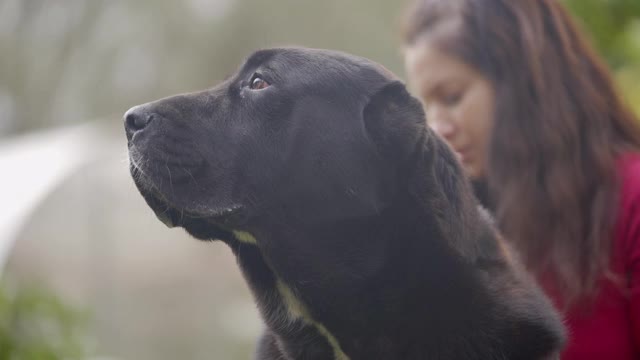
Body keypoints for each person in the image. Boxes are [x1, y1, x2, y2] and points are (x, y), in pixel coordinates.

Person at [401, 0, 640, 359]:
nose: (436, 128)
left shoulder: (630, 198)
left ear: (523, 84)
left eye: (451, 97)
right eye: (426, 105)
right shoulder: (471, 233)